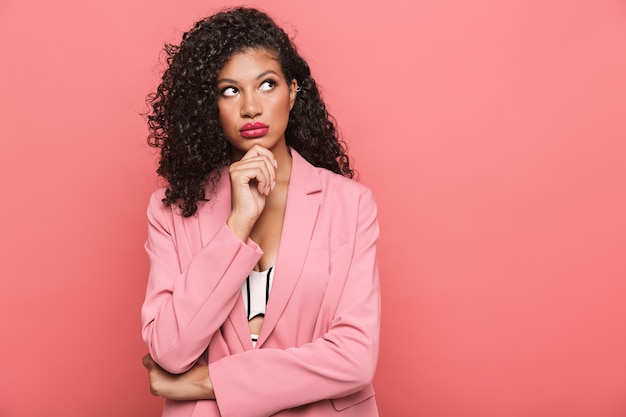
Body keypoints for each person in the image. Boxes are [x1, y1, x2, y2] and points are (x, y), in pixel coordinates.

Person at [140, 7, 381, 417]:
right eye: (229, 90)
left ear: (292, 89)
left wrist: (207, 381)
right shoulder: (172, 211)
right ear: (208, 105)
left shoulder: (350, 205)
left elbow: (355, 357)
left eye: (266, 84)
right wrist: (237, 223)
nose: (251, 107)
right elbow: (169, 349)